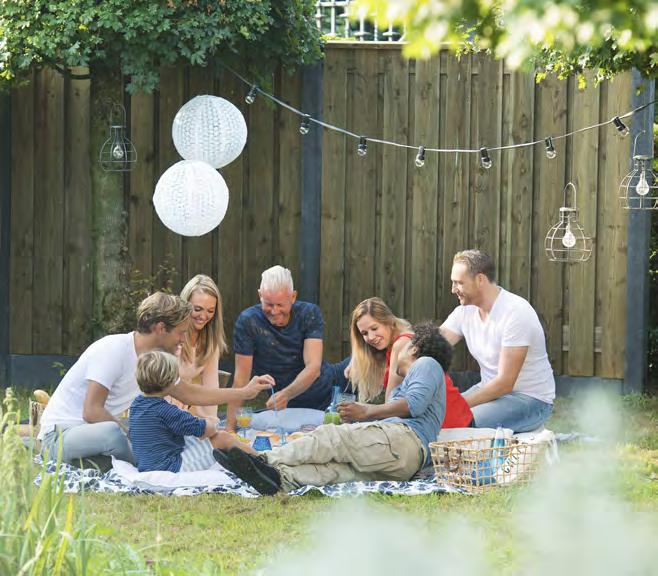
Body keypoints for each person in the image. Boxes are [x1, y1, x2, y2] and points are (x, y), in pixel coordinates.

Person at [38, 292, 273, 468]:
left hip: (93, 435)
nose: (183, 339)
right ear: (161, 328)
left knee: (156, 436)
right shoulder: (113, 349)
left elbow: (190, 393)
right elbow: (92, 411)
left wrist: (244, 392)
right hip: (60, 436)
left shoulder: (154, 361)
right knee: (115, 432)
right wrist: (131, 436)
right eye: (181, 332)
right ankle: (149, 470)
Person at [213, 322, 450, 495]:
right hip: (403, 462)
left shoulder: (427, 363)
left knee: (331, 436)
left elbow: (413, 405)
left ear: (415, 348)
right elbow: (403, 406)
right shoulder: (419, 378)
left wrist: (366, 412)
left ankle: (261, 458)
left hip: (403, 441)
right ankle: (278, 479)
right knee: (335, 471)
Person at [440, 249, 555, 432]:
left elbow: (504, 383)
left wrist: (457, 404)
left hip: (530, 399)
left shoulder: (516, 313)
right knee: (437, 416)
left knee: (459, 422)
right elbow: (434, 346)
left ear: (480, 280)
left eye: (459, 283)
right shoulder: (465, 311)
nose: (453, 289)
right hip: (490, 390)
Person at [228, 265, 341, 428]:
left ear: (293, 297)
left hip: (325, 393)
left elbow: (314, 367)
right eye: (268, 304)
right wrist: (229, 430)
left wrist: (286, 394)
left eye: (280, 305)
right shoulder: (248, 322)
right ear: (260, 295)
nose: (274, 311)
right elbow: (240, 380)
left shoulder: (309, 313)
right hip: (285, 407)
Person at [347, 297, 473, 428]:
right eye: (364, 333)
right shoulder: (393, 347)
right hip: (456, 418)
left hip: (451, 424)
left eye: (374, 328)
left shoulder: (402, 344)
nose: (371, 337)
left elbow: (391, 405)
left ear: (389, 321)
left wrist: (363, 411)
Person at [130, 350, 256, 472]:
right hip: (170, 468)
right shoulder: (166, 411)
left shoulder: (136, 405)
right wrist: (210, 422)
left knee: (197, 439)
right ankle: (261, 462)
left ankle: (245, 461)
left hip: (147, 465)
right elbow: (204, 429)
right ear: (170, 381)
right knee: (222, 438)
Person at [168, 274, 228, 418]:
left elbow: (210, 391)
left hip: (184, 415)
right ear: (185, 304)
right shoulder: (172, 338)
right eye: (198, 309)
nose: (203, 316)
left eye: (210, 311)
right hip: (159, 412)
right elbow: (160, 389)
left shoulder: (210, 344)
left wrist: (211, 427)